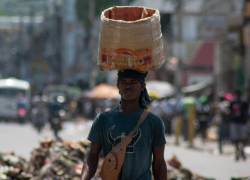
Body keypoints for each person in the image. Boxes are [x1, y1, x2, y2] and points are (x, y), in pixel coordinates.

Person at [81, 69, 167, 180]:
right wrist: (84, 178)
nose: (128, 86)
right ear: (118, 86)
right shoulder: (103, 119)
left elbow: (159, 164)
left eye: (133, 82)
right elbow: (92, 155)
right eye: (124, 82)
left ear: (142, 87)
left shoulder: (154, 122)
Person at [229, 90, 249, 161]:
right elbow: (230, 111)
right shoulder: (232, 102)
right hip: (234, 122)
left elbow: (246, 112)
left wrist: (246, 120)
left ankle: (242, 151)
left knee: (243, 139)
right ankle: (237, 152)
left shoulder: (244, 102)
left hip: (242, 123)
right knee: (236, 139)